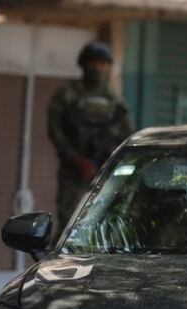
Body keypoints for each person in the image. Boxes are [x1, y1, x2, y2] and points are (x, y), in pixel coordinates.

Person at [48, 41, 134, 229]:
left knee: (103, 224)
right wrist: (75, 159)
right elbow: (55, 130)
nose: (98, 68)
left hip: (104, 173)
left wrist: (111, 158)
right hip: (73, 171)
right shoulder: (67, 95)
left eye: (102, 63)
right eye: (93, 63)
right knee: (68, 225)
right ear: (84, 64)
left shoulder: (115, 102)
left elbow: (128, 138)